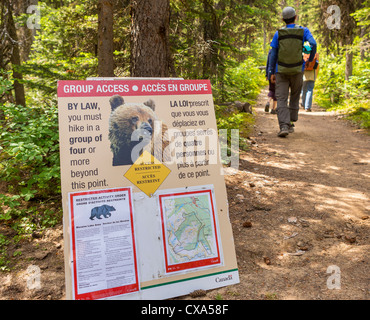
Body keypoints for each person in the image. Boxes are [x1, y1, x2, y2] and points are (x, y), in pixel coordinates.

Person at [268, 6, 317, 137]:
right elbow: (312, 44)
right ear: (295, 17)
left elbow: (273, 54)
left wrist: (271, 72)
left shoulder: (279, 33)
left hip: (281, 71)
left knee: (282, 98)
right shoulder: (304, 31)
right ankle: (291, 120)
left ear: (283, 19)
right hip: (297, 70)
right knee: (295, 96)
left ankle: (284, 125)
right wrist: (307, 58)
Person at [265, 49, 277, 114]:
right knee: (277, 91)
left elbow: (268, 63)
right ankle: (273, 109)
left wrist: (267, 74)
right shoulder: (279, 51)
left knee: (272, 89)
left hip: (270, 72)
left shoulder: (270, 51)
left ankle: (268, 102)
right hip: (277, 73)